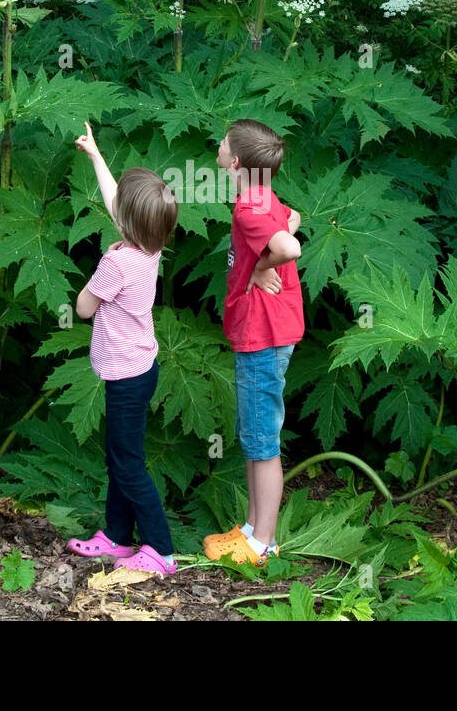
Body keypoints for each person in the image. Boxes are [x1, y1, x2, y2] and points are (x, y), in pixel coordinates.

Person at [64, 122, 180, 575]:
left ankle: (161, 549)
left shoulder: (116, 260)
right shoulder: (149, 248)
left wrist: (97, 274)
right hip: (139, 368)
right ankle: (116, 537)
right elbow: (119, 202)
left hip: (126, 377)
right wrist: (95, 155)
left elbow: (83, 308)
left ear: (127, 224)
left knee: (128, 464)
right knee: (121, 456)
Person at [203, 119, 304, 566]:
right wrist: (263, 259)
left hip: (264, 336)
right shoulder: (263, 197)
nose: (218, 150)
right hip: (265, 332)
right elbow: (293, 219)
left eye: (222, 146)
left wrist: (265, 266)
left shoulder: (249, 208)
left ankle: (263, 543)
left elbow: (290, 245)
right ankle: (250, 529)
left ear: (237, 162)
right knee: (253, 435)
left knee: (262, 441)